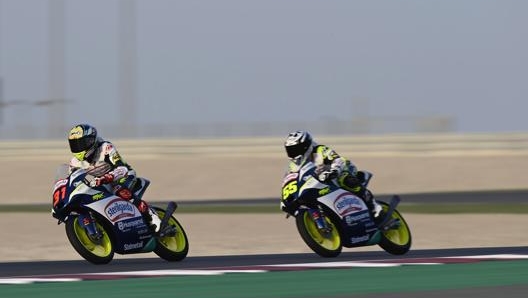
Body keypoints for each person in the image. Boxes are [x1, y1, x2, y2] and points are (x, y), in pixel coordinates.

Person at [67, 123, 161, 232]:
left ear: (90, 141)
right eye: (74, 144)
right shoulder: (74, 162)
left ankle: (151, 215)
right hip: (100, 184)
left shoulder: (105, 148)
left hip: (122, 176)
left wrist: (106, 178)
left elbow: (122, 168)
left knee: (119, 190)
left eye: (80, 143)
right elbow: (76, 180)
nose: (78, 147)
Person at [283, 130, 382, 218]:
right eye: (290, 150)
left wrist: (334, 170)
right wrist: (289, 200)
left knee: (345, 179)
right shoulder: (293, 165)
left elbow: (338, 160)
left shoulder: (320, 150)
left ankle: (373, 206)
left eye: (296, 149)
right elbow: (292, 180)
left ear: (306, 146)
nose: (293, 153)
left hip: (341, 170)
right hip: (320, 181)